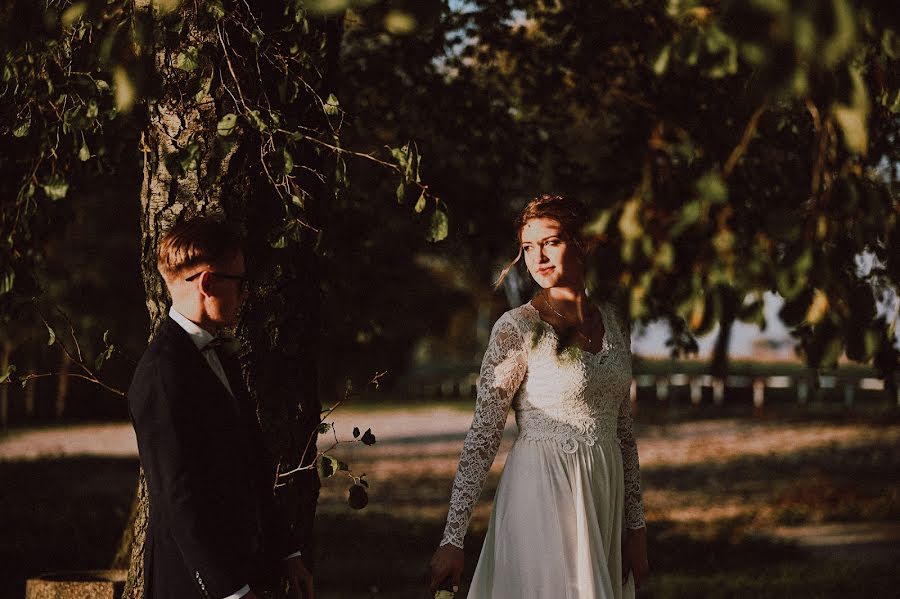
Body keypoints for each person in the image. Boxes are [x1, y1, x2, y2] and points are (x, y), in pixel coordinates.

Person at [429, 195, 648, 598]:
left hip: (604, 495)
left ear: (583, 244)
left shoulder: (615, 322)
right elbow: (483, 437)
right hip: (543, 492)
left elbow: (623, 432)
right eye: (528, 247)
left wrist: (636, 527)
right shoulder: (516, 328)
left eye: (551, 242)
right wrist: (453, 538)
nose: (538, 258)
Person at [128, 217, 314, 599]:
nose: (245, 295)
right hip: (196, 585)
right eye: (239, 283)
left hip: (246, 571)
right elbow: (179, 500)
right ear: (208, 284)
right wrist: (230, 592)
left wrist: (288, 552)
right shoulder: (162, 373)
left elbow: (253, 462)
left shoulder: (216, 354)